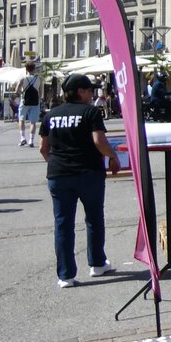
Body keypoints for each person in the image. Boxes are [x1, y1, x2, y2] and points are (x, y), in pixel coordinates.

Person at [39, 72, 121, 289]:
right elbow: (99, 141)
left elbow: (43, 148)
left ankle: (66, 275)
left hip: (58, 175)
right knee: (94, 218)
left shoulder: (50, 115)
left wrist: (55, 163)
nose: (92, 93)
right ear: (80, 92)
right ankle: (97, 263)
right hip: (88, 173)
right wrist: (112, 157)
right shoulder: (91, 112)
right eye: (89, 90)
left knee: (63, 224)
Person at [15, 62, 42, 147]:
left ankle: (22, 138)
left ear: (26, 69)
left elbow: (17, 90)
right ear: (34, 69)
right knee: (33, 122)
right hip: (35, 102)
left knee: (21, 119)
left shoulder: (23, 78)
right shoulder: (39, 78)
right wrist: (38, 98)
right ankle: (31, 140)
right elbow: (40, 92)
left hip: (24, 101)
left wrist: (22, 93)